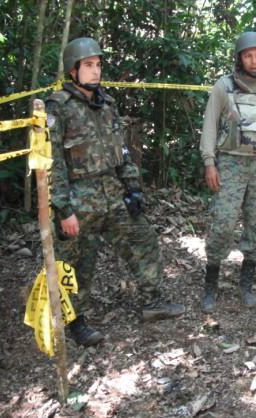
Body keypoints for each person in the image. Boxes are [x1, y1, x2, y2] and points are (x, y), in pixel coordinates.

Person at [46, 37, 185, 347]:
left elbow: (121, 150)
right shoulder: (58, 107)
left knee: (143, 239)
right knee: (79, 262)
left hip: (112, 190)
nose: (95, 71)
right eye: (88, 66)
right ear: (73, 71)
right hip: (80, 199)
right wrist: (63, 209)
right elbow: (52, 162)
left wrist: (133, 186)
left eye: (98, 65)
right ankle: (75, 320)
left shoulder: (107, 103)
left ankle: (153, 301)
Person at [199, 31, 256, 313]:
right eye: (248, 55)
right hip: (229, 163)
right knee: (224, 222)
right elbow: (210, 126)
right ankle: (211, 282)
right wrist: (209, 162)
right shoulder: (224, 87)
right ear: (240, 58)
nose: (254, 60)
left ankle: (246, 282)